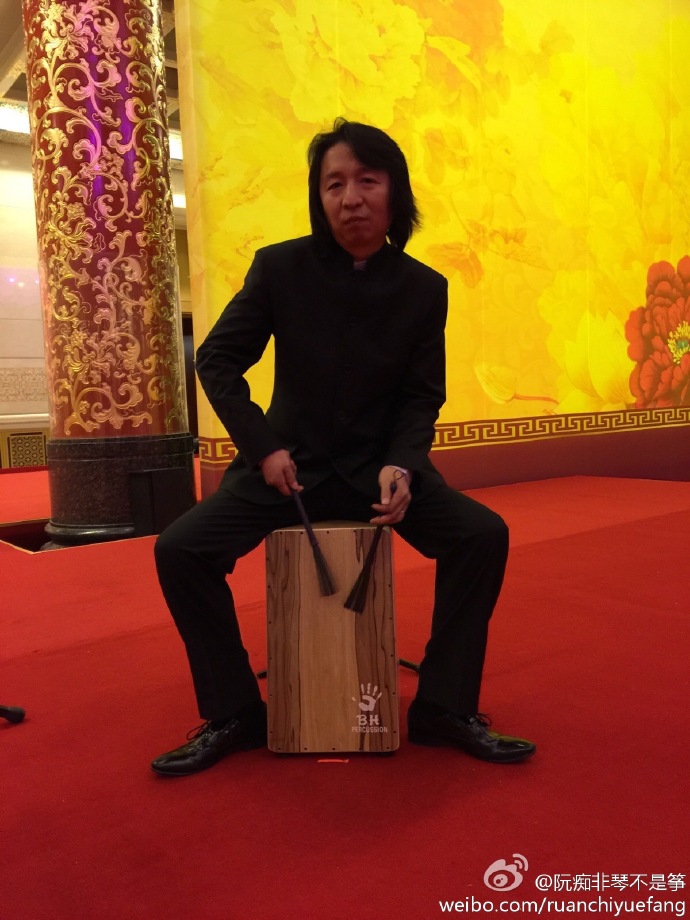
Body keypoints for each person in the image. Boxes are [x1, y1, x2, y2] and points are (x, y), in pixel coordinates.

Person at [151, 118, 535, 776]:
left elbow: (422, 396)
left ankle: (443, 706)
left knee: (481, 535)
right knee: (180, 549)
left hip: (378, 471)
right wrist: (264, 447)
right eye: (334, 184)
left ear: (395, 193)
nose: (350, 197)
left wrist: (405, 464)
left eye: (367, 180)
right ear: (317, 196)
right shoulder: (280, 268)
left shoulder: (423, 288)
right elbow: (216, 361)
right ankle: (235, 711)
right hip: (286, 470)